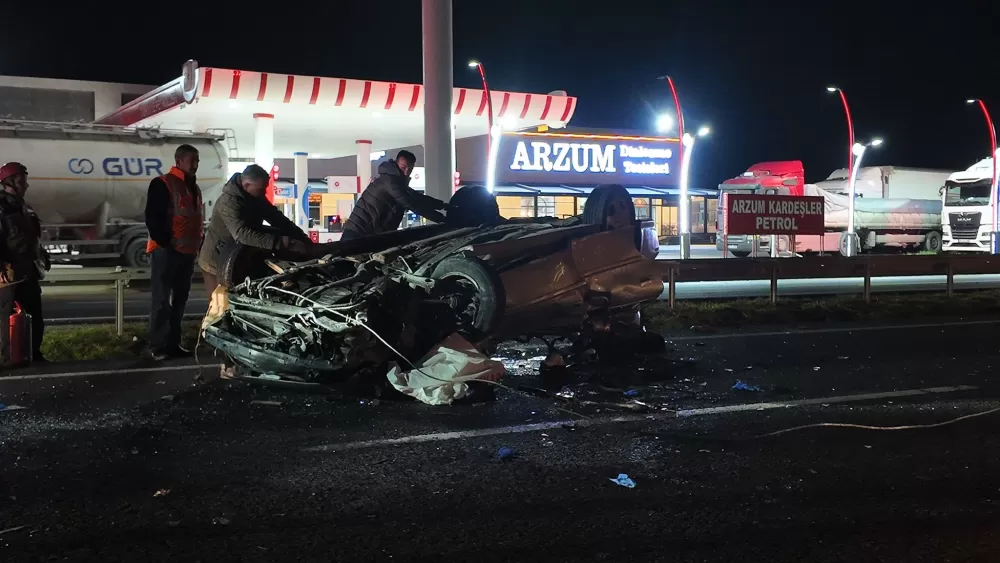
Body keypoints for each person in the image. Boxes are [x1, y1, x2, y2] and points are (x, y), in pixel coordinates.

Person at [198, 164, 312, 295]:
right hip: (217, 261)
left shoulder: (256, 197)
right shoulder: (228, 202)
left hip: (239, 256)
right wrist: (282, 242)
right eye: (261, 189)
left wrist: (300, 237)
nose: (264, 193)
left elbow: (276, 218)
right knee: (221, 303)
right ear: (246, 185)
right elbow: (243, 234)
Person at [145, 144, 204, 361]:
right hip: (167, 251)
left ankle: (172, 344)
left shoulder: (193, 188)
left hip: (186, 252)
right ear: (179, 161)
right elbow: (152, 217)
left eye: (197, 160)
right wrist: (165, 242)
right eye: (192, 160)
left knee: (179, 301)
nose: (196, 165)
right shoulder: (163, 183)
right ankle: (157, 346)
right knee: (162, 301)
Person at [0, 162, 50, 364]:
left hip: (29, 271)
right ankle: (9, 359)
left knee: (34, 316)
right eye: (22, 181)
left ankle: (33, 354)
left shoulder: (24, 208)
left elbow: (31, 236)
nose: (26, 185)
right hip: (10, 274)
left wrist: (42, 254)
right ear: (9, 183)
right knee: (8, 319)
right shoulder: (2, 209)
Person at [341, 150, 448, 240]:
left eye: (410, 169)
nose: (406, 172)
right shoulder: (390, 182)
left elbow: (417, 197)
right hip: (359, 231)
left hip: (366, 231)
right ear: (396, 164)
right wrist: (442, 219)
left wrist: (442, 205)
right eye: (403, 167)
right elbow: (411, 204)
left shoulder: (397, 183)